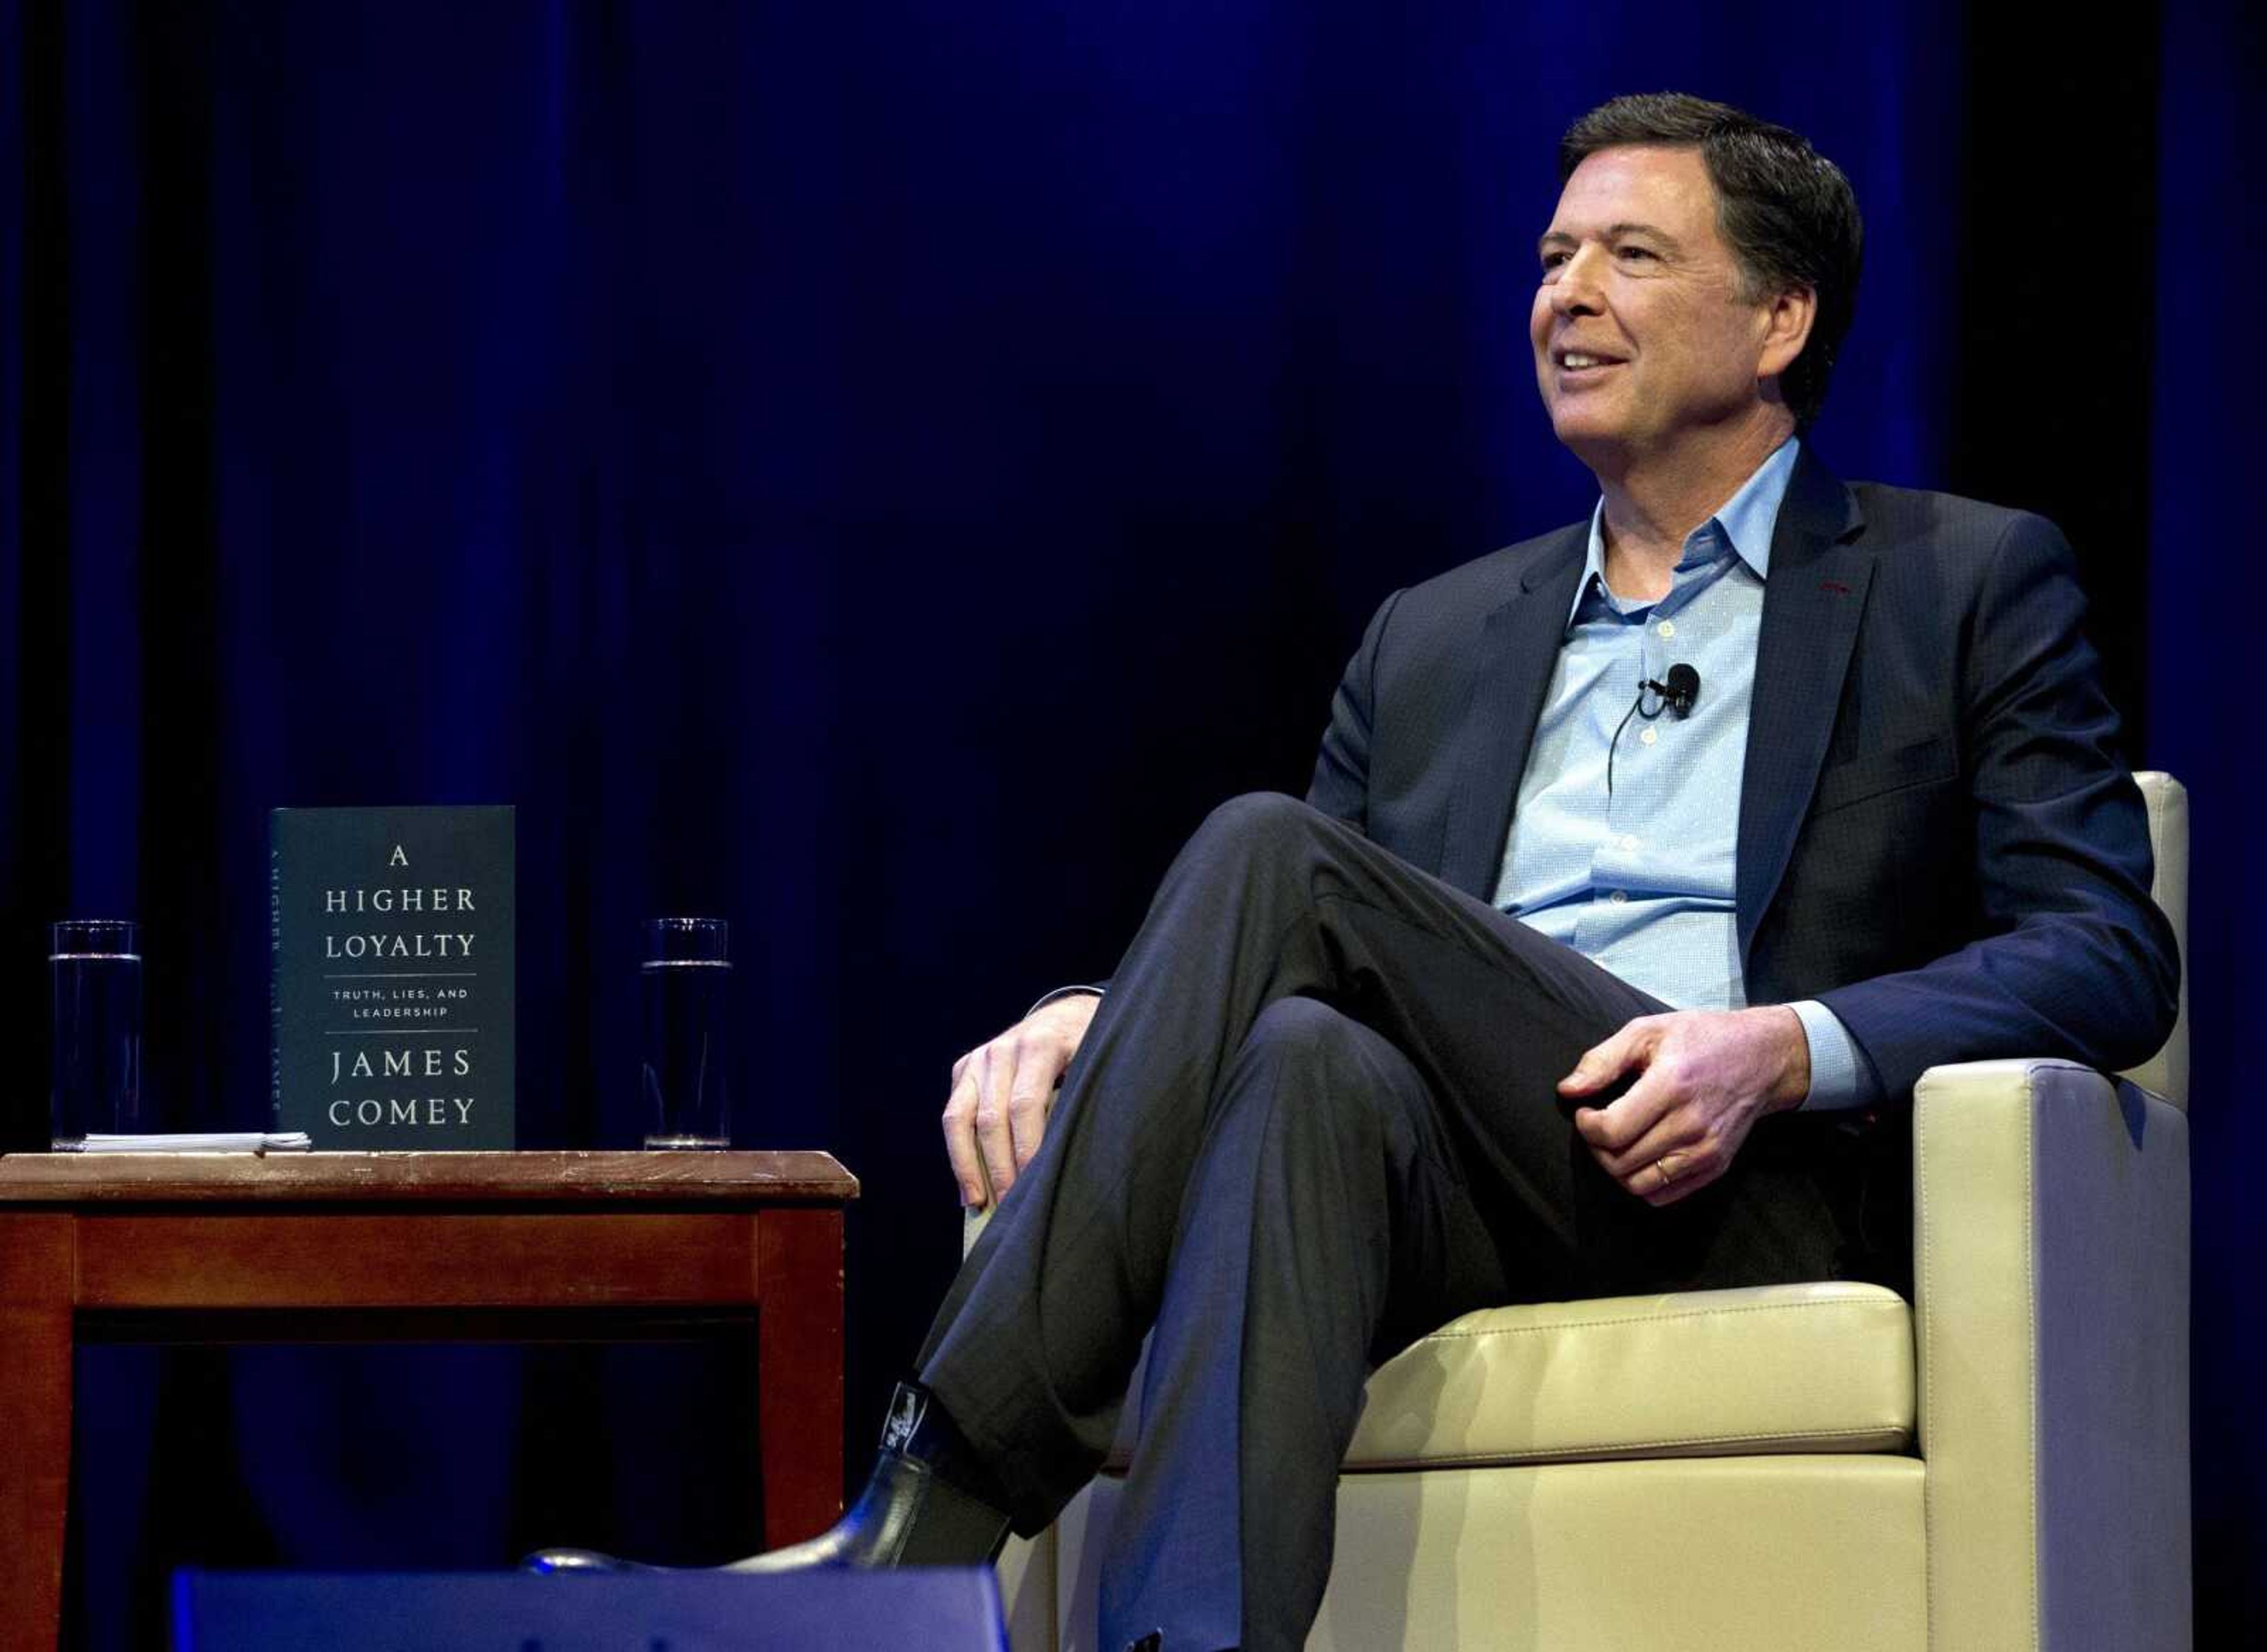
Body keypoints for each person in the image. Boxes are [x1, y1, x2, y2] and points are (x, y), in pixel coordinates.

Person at [536, 93, 2180, 1652]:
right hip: (1468, 1165)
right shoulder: (1442, 637)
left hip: (1745, 1177)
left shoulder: (1959, 579)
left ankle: (928, 1515)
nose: (1568, 297)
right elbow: (1313, 948)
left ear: (1780, 322)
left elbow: (2108, 949)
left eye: (1631, 255)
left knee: (1268, 852)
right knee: (1299, 1059)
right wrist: (1093, 1019)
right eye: (1551, 260)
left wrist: (1780, 1047)